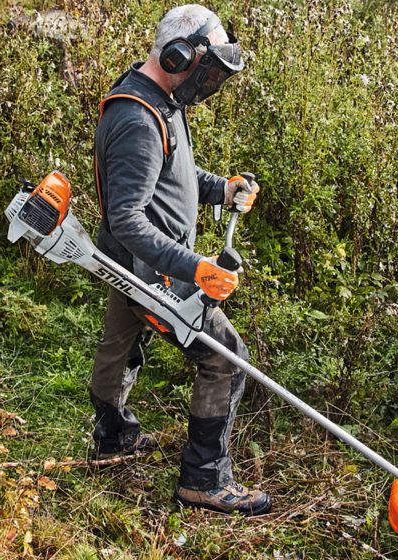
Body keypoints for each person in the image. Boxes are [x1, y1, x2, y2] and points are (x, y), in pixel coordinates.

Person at [88, 4, 267, 516]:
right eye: (205, 70)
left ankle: (112, 436)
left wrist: (221, 188)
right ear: (179, 54)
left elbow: (173, 175)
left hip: (133, 263)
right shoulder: (140, 119)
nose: (209, 84)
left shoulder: (156, 98)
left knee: (121, 345)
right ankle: (204, 480)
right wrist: (194, 268)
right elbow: (127, 217)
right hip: (155, 270)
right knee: (226, 359)